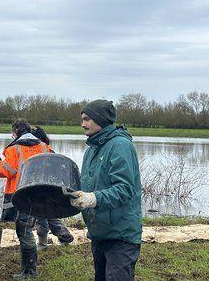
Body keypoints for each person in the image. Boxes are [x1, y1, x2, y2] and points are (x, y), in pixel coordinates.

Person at [69, 100, 142, 281]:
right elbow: (86, 187)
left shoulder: (120, 145)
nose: (83, 124)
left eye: (87, 119)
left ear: (100, 119)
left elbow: (125, 189)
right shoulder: (91, 150)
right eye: (82, 119)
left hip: (121, 235)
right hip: (100, 232)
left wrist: (93, 199)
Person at [0, 119, 50, 279]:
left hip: (22, 196)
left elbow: (5, 171)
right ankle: (29, 270)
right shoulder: (43, 146)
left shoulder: (14, 149)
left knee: (24, 231)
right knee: (27, 228)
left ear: (15, 133)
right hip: (40, 194)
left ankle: (29, 273)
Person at [29, 126, 74, 250]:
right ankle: (65, 237)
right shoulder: (50, 151)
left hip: (41, 190)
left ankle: (43, 244)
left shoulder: (39, 152)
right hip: (51, 190)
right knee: (50, 215)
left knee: (42, 217)